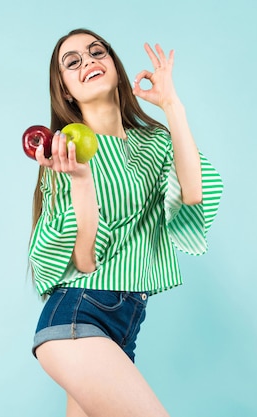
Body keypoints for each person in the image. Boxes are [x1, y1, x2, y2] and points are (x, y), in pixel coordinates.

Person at [28, 28, 223, 417]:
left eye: (96, 52)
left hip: (124, 325)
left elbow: (193, 192)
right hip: (78, 315)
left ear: (114, 66)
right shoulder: (65, 152)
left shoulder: (154, 144)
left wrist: (171, 103)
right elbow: (84, 261)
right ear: (65, 89)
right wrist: (82, 181)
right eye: (73, 62)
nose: (88, 62)